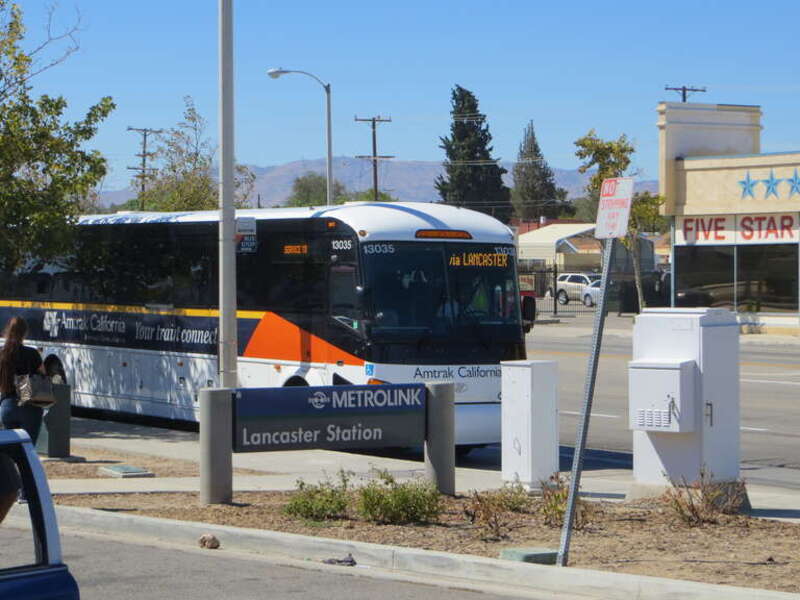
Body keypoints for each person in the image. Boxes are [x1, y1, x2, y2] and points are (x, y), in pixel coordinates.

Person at [0, 317, 47, 445]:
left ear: (8, 331)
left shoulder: (2, 354)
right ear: (24, 333)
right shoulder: (32, 353)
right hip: (29, 406)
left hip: (7, 405)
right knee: (28, 450)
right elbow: (43, 375)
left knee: (12, 449)